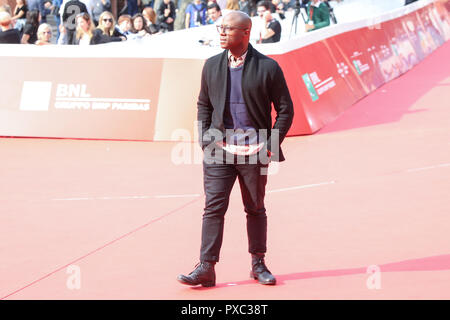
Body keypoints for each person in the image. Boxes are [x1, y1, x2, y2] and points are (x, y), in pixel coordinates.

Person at [177, 11, 294, 287]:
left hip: (255, 150)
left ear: (246, 32)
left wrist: (271, 144)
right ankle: (206, 267)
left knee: (255, 208)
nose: (221, 32)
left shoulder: (268, 67)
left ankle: (258, 263)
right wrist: (205, 140)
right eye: (220, 28)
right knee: (213, 208)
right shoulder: (211, 65)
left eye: (228, 29)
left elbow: (286, 110)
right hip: (218, 149)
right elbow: (203, 104)